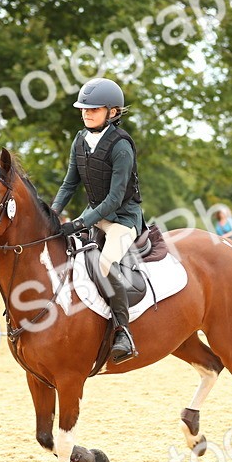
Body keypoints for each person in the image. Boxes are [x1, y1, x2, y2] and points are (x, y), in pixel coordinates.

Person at [50, 77, 144, 363]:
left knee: (104, 265)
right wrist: (52, 214)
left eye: (94, 109)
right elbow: (69, 184)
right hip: (95, 217)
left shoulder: (121, 147)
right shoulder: (80, 140)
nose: (87, 113)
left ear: (112, 112)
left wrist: (78, 223)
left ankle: (122, 332)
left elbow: (115, 199)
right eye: (84, 109)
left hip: (123, 220)